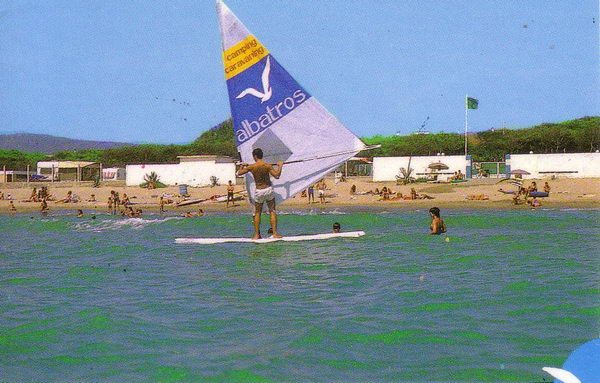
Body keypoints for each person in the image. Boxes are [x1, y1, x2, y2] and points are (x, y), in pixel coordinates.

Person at [237, 148, 284, 239]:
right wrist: (280, 166)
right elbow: (277, 176)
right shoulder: (267, 165)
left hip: (259, 191)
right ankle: (275, 233)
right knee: (272, 211)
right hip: (268, 189)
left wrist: (242, 166)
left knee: (257, 212)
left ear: (255, 156)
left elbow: (239, 173)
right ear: (261, 155)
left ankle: (257, 235)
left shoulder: (252, 167)